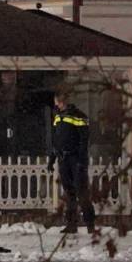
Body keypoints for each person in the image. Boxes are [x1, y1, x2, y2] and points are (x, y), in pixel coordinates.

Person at [48, 91, 95, 234]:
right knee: (69, 193)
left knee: (81, 191)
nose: (56, 104)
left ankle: (90, 224)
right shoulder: (58, 117)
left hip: (75, 159)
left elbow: (83, 140)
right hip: (64, 159)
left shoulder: (79, 116)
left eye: (57, 102)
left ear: (62, 102)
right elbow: (56, 140)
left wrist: (81, 160)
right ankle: (71, 224)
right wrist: (52, 159)